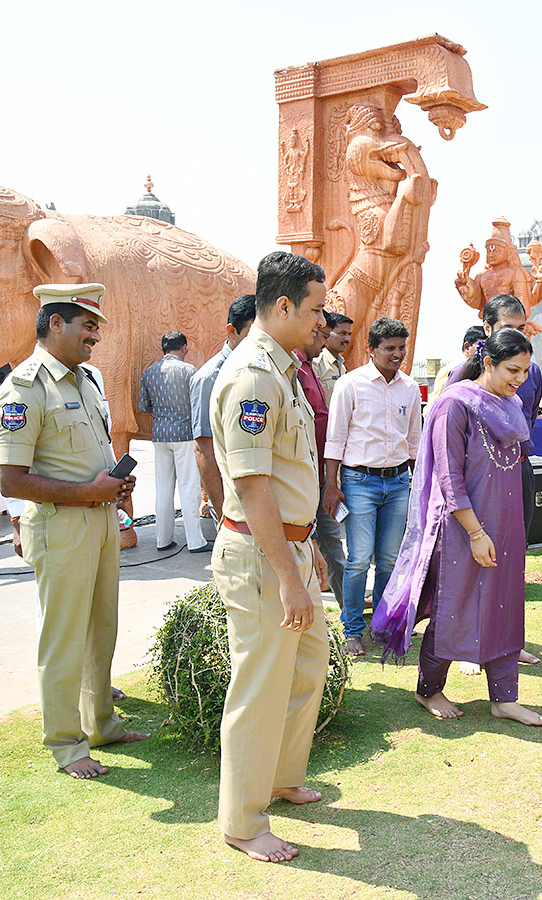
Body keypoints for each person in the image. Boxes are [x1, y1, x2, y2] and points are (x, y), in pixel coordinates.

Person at [0, 283, 149, 779]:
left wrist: (115, 485)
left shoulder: (85, 382)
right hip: (61, 528)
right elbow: (9, 479)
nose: (95, 337)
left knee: (101, 629)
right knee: (64, 638)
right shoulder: (23, 388)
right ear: (55, 323)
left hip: (101, 521)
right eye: (88, 326)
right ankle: (66, 744)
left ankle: (101, 723)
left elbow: (89, 454)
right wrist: (89, 493)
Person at [209, 251, 330, 863]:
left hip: (291, 545)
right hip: (263, 555)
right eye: (313, 309)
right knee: (259, 685)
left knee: (309, 661)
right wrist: (288, 577)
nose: (321, 320)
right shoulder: (255, 376)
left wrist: (307, 553)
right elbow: (253, 485)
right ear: (282, 305)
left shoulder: (282, 368)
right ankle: (243, 821)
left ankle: (279, 777)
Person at [371, 328, 542, 727]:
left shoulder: (510, 404)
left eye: (525, 370)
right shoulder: (456, 405)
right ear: (488, 363)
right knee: (455, 607)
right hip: (462, 528)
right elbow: (449, 478)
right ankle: (428, 688)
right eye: (512, 370)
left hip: (505, 523)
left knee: (506, 606)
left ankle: (505, 698)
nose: (519, 379)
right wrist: (475, 532)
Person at [447, 295, 542, 666]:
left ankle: (508, 639)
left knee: (511, 559)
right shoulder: (464, 374)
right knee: (475, 561)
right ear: (487, 330)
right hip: (476, 483)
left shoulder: (531, 371)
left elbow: (528, 417)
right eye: (507, 328)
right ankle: (473, 647)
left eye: (521, 328)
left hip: (517, 468)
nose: (516, 336)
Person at [323, 317, 422, 657]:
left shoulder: (409, 389)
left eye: (401, 348)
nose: (397, 354)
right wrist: (330, 486)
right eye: (390, 348)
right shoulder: (350, 384)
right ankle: (352, 630)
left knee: (390, 560)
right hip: (358, 481)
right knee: (359, 560)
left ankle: (380, 626)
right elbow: (335, 439)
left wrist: (417, 488)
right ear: (371, 349)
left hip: (397, 483)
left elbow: (413, 443)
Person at [139, 330, 209, 553]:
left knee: (163, 488)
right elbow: (198, 403)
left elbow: (144, 406)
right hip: (185, 435)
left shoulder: (149, 372)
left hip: (160, 435)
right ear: (184, 347)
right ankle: (196, 541)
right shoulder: (189, 371)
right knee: (189, 488)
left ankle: (163, 539)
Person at [295, 315, 347, 603]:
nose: (323, 339)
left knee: (334, 544)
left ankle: (348, 608)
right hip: (303, 477)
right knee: (307, 548)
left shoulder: (310, 367)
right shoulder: (293, 369)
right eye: (319, 333)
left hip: (321, 476)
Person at [191, 295, 255, 520]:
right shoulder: (209, 378)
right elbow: (204, 450)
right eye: (251, 334)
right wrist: (222, 514)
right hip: (234, 503)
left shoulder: (259, 370)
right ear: (232, 331)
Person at [430, 325, 486, 403]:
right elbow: (439, 402)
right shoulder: (455, 369)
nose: (486, 353)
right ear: (467, 347)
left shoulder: (484, 369)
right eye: (482, 347)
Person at [313, 311, 352, 406]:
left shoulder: (341, 365)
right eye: (342, 333)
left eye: (349, 334)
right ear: (328, 332)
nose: (347, 339)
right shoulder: (316, 362)